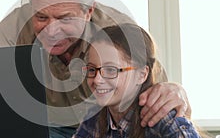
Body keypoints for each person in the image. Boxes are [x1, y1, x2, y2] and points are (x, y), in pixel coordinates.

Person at [0, 0, 191, 137]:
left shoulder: (116, 30)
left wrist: (175, 91)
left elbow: (159, 91)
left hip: (104, 127)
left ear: (88, 12)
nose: (51, 31)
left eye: (65, 18)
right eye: (41, 16)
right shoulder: (13, 28)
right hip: (44, 126)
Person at [73, 24, 203, 138]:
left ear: (142, 74)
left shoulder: (163, 117)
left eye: (111, 70)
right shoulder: (94, 117)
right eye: (91, 69)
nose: (97, 79)